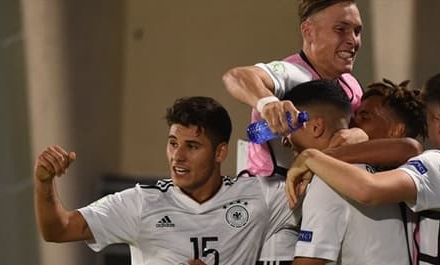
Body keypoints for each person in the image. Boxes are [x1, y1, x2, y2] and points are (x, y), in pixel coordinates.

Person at [286, 70, 440, 264]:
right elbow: (409, 148)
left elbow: (373, 186)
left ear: (437, 123)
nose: (353, 125)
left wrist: (312, 157)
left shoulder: (338, 180)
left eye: (364, 117)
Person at [34, 96, 296, 265]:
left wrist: (309, 160)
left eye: (192, 146)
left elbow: (328, 192)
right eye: (173, 144)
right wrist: (44, 183)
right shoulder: (140, 204)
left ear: (220, 152)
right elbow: (59, 229)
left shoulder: (259, 197)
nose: (177, 157)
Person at [223, 0, 365, 178]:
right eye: (340, 29)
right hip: (270, 191)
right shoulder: (292, 72)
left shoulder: (352, 86)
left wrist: (362, 134)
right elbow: (236, 76)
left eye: (357, 31)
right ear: (308, 32)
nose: (353, 40)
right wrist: (268, 103)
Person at [281, 79, 411, 265]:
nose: (286, 140)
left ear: (316, 127)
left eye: (289, 129)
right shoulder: (369, 173)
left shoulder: (330, 180)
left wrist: (312, 158)